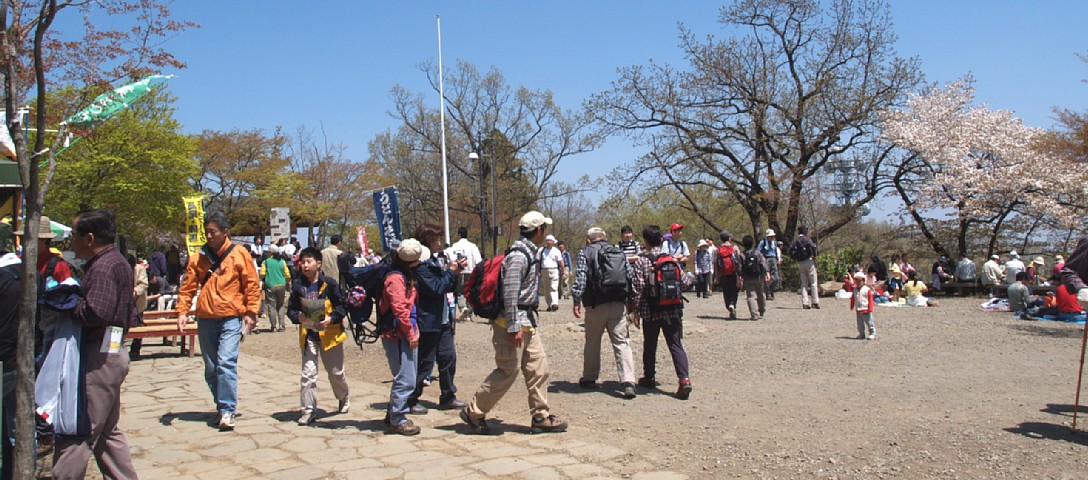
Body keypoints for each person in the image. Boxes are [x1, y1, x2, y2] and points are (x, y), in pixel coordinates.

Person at [461, 211, 567, 435]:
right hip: (513, 323)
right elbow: (510, 293)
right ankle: (474, 412)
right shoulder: (519, 256)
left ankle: (541, 416)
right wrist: (513, 326)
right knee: (508, 370)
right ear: (538, 231)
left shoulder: (528, 252)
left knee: (539, 368)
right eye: (544, 229)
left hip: (527, 322)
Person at [52, 208, 138, 479]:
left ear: (89, 238)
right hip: (111, 350)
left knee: (82, 430)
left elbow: (96, 311)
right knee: (107, 433)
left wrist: (67, 304)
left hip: (101, 355)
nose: (71, 242)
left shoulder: (103, 266)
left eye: (74, 235)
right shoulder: (116, 262)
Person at [176, 211, 261, 431]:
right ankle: (220, 404)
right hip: (205, 316)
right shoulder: (199, 257)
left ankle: (227, 409)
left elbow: (251, 284)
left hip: (231, 315)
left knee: (225, 362)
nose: (209, 235)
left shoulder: (240, 254)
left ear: (225, 231)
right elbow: (188, 286)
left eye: (213, 231)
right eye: (207, 232)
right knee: (211, 367)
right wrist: (182, 311)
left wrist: (252, 312)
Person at [407, 223, 467, 415]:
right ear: (428, 241)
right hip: (428, 321)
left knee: (448, 357)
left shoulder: (434, 261)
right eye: (436, 239)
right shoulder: (420, 265)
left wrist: (455, 272)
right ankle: (410, 398)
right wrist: (450, 271)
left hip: (443, 319)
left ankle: (448, 395)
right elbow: (435, 288)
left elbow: (446, 286)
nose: (439, 243)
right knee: (425, 363)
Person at [286, 247, 350, 426]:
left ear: (318, 264)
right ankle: (308, 410)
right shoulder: (299, 286)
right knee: (308, 374)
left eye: (309, 262)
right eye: (303, 262)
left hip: (330, 336)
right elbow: (291, 309)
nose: (305, 265)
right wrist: (297, 317)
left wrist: (331, 319)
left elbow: (342, 306)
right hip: (309, 335)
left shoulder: (329, 284)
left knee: (336, 373)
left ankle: (343, 396)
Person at [630, 225, 694, 400]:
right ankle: (684, 379)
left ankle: (649, 376)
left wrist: (635, 311)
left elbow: (638, 288)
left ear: (645, 241)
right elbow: (685, 282)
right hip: (672, 308)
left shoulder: (642, 261)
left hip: (650, 310)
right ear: (661, 240)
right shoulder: (671, 260)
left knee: (650, 344)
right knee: (675, 344)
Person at [571, 227, 636, 399]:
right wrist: (630, 302)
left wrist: (576, 299)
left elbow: (581, 277)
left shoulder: (585, 252)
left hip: (595, 304)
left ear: (589, 239)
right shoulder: (619, 251)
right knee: (622, 342)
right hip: (618, 303)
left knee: (593, 341)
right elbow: (630, 276)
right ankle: (628, 381)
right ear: (605, 238)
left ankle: (590, 378)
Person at [379, 239, 426, 435]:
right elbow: (400, 310)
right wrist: (410, 333)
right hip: (398, 334)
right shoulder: (396, 280)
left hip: (404, 331)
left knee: (403, 376)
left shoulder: (403, 276)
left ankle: (393, 412)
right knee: (406, 378)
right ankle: (398, 417)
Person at [0, 252, 19, 480]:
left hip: (6, 358)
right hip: (25, 356)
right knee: (17, 423)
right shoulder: (35, 277)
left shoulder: (4, 279)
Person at [446, 226, 482, 320]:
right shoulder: (472, 246)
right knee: (470, 291)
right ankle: (469, 313)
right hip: (471, 271)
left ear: (459, 235)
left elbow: (450, 257)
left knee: (460, 292)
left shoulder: (455, 246)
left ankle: (463, 308)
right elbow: (478, 260)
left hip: (459, 271)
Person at [260, 244, 290, 332]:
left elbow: (262, 274)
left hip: (270, 285)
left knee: (271, 306)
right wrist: (288, 282)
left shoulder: (266, 262)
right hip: (281, 285)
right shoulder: (282, 261)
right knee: (281, 305)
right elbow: (287, 274)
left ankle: (273, 326)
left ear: (270, 252)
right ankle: (282, 325)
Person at [739, 235, 769, 321]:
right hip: (759, 276)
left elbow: (740, 267)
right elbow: (762, 263)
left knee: (751, 296)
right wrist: (767, 272)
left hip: (748, 278)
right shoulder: (757, 253)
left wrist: (740, 276)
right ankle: (762, 310)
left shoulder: (742, 255)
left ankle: (754, 314)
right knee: (760, 293)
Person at [789, 226, 820, 309]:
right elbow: (813, 247)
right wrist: (814, 256)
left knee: (804, 283)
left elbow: (790, 250)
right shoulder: (807, 239)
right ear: (805, 232)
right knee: (813, 282)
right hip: (809, 261)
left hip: (800, 262)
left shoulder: (795, 241)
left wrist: (795, 258)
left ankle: (805, 303)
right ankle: (815, 301)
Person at [715, 231, 743, 319]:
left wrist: (717, 276)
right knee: (734, 291)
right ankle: (732, 304)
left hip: (723, 273)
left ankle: (729, 306)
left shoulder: (718, 250)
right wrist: (740, 275)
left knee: (726, 292)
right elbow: (739, 262)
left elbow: (716, 264)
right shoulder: (734, 248)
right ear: (729, 238)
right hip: (734, 273)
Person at [537, 234, 565, 312]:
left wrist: (563, 273)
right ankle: (550, 305)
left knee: (554, 287)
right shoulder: (541, 250)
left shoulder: (556, 251)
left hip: (554, 270)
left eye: (550, 240)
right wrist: (538, 271)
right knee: (547, 289)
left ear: (553, 242)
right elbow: (538, 262)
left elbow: (560, 262)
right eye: (547, 240)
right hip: (544, 270)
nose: (549, 242)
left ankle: (554, 304)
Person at [850, 271, 876, 340]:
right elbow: (853, 298)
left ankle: (872, 333)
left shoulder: (867, 289)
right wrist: (852, 305)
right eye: (856, 281)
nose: (858, 282)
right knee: (860, 324)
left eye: (860, 281)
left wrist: (870, 308)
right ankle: (861, 334)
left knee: (869, 322)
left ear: (864, 281)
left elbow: (870, 299)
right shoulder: (855, 289)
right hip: (858, 310)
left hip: (866, 309)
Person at [756, 229, 780, 300]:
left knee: (776, 278)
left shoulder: (774, 243)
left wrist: (777, 259)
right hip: (766, 259)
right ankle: (768, 293)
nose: (772, 237)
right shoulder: (762, 242)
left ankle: (771, 290)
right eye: (771, 236)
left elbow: (776, 251)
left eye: (773, 236)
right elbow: (758, 251)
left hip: (773, 259)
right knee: (767, 277)